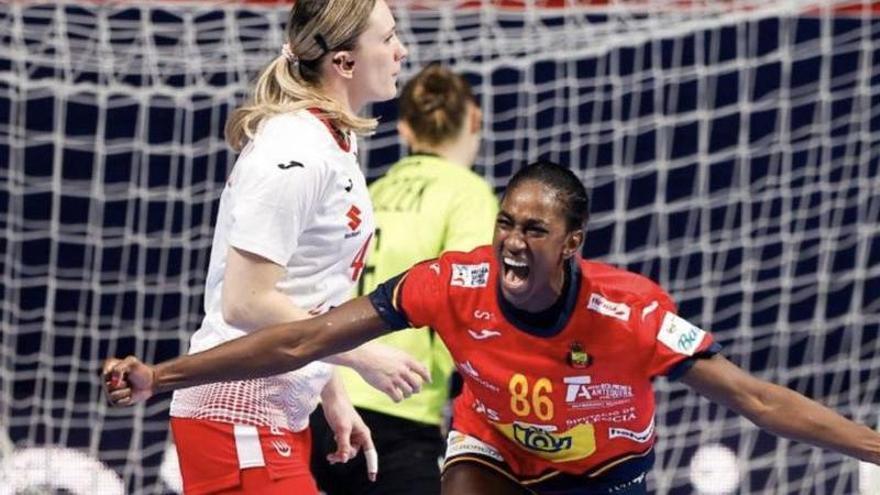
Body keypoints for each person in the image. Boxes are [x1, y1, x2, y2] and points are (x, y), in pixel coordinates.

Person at [104, 161, 880, 495]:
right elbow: (305, 339)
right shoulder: (451, 283)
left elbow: (757, 401)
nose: (512, 240)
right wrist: (163, 374)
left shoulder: (632, 312)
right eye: (506, 222)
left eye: (534, 230)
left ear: (571, 244)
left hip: (605, 472)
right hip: (494, 449)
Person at [153, 1, 432, 494]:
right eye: (388, 39)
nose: (401, 51)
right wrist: (361, 353)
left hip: (276, 411)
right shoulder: (295, 151)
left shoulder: (330, 143)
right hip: (234, 412)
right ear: (344, 62)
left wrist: (331, 391)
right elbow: (245, 300)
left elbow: (302, 288)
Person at [309, 63, 498, 495]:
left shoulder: (371, 192)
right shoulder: (468, 194)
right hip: (399, 407)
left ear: (404, 129)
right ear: (474, 120)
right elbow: (471, 301)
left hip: (327, 399)